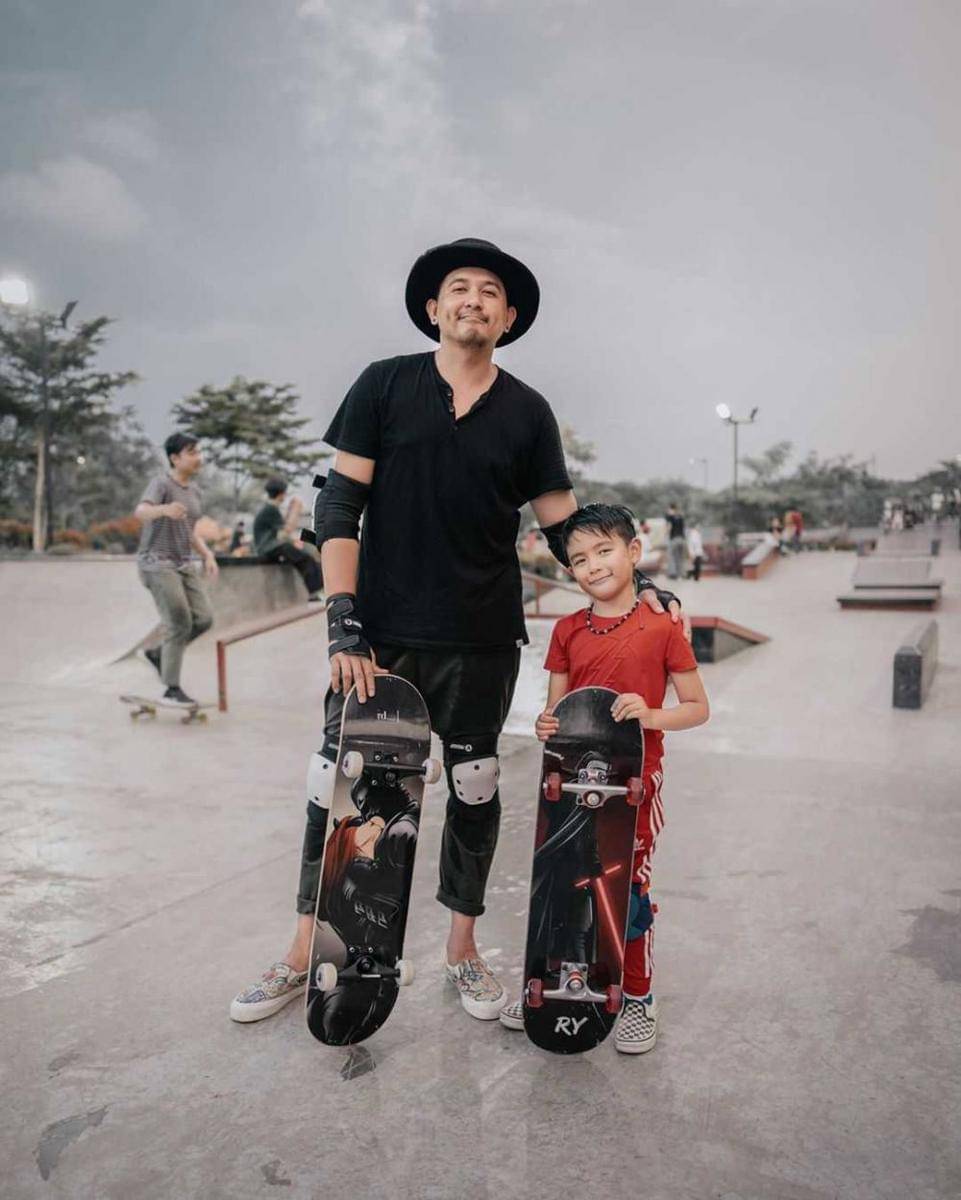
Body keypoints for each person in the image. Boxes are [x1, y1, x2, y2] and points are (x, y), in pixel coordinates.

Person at [230, 237, 686, 1025]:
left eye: (490, 292)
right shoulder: (383, 384)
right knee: (336, 791)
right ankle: (305, 953)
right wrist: (342, 622)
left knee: (474, 789)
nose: (474, 299)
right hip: (379, 639)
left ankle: (462, 952)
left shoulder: (527, 412)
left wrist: (633, 585)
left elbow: (562, 525)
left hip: (480, 636)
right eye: (459, 288)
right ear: (433, 308)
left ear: (508, 319)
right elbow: (339, 505)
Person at [498, 503, 709, 1052]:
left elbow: (697, 707)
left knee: (626, 890)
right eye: (579, 559)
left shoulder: (662, 627)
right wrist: (545, 724)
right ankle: (550, 988)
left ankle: (638, 995)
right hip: (571, 784)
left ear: (633, 552)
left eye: (604, 551)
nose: (592, 566)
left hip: (635, 786)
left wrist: (652, 715)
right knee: (560, 884)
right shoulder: (567, 630)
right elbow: (557, 713)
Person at [134, 432, 218, 706]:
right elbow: (141, 512)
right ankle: (171, 689)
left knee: (204, 618)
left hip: (183, 563)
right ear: (174, 458)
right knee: (179, 620)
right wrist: (163, 510)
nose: (198, 457)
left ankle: (159, 653)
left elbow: (189, 531)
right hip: (156, 562)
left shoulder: (195, 491)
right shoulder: (161, 483)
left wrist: (207, 554)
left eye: (199, 451)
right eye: (191, 452)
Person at [252, 477, 322, 600]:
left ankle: (308, 593)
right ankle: (313, 592)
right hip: (270, 548)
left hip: (268, 548)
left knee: (299, 559)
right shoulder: (271, 509)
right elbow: (287, 530)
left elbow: (282, 528)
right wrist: (296, 509)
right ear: (281, 494)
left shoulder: (269, 508)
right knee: (306, 559)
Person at [664, 503, 686, 580]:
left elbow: (669, 527)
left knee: (672, 557)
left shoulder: (670, 517)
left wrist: (665, 534)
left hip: (674, 539)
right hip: (682, 539)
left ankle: (674, 574)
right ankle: (681, 574)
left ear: (671, 509)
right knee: (680, 557)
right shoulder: (681, 517)